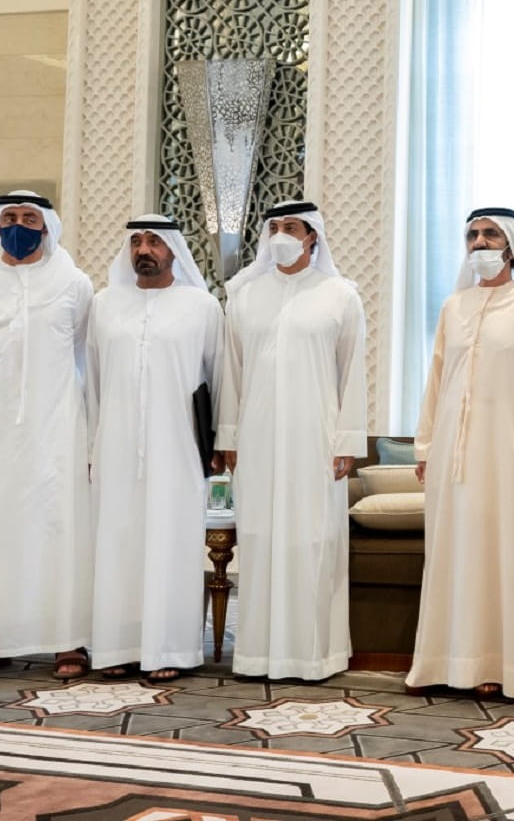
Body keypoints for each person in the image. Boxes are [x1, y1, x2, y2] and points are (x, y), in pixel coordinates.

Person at [407, 208, 514, 698]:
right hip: (452, 456)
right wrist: (425, 446)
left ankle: (506, 667)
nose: (479, 241)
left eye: (490, 233)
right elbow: (436, 382)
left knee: (508, 557)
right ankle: (445, 663)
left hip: (511, 453)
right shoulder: (453, 307)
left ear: (511, 246)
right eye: (472, 234)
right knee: (454, 555)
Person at [0, 190, 95, 681]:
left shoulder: (74, 284)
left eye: (30, 218)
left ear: (47, 226)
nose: (19, 225)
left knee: (56, 531)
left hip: (55, 430)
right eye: (9, 217)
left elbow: (82, 355)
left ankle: (65, 640)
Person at [215, 200, 367, 682]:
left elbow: (353, 374)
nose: (281, 234)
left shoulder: (340, 295)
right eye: (275, 226)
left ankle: (314, 656)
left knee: (312, 540)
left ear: (312, 237)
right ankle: (257, 654)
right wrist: (229, 437)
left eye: (292, 227)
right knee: (260, 540)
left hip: (316, 440)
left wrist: (347, 440)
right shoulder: (243, 295)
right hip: (257, 440)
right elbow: (231, 374)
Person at [88, 215, 224, 684]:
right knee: (117, 543)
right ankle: (116, 647)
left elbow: (218, 377)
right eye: (137, 241)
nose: (144, 249)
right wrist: (91, 444)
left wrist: (220, 443)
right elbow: (92, 382)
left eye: (155, 242)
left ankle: (171, 648)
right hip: (115, 445)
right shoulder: (104, 305)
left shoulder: (201, 306)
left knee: (172, 543)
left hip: (178, 446)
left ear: (173, 250)